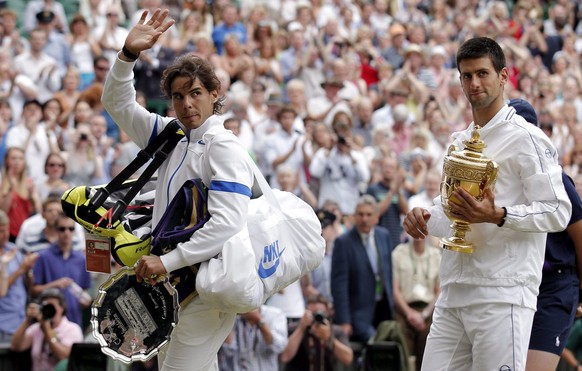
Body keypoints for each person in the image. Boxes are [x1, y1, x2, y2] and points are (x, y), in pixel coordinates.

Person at [402, 37, 572, 370]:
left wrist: (499, 215)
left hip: (503, 294)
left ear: (503, 76)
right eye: (466, 76)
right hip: (453, 292)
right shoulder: (458, 141)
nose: (474, 83)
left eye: (482, 73)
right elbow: (451, 213)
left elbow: (558, 209)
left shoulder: (528, 138)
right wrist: (423, 217)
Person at [101, 9, 255, 370]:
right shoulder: (172, 136)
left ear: (215, 93)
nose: (187, 104)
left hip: (205, 287)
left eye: (196, 93)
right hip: (177, 287)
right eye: (178, 96)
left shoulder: (222, 145)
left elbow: (228, 223)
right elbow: (118, 104)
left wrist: (167, 261)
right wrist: (127, 56)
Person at [507, 99, 582, 371]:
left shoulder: (557, 180)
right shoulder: (501, 179)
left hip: (554, 285)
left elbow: (580, 235)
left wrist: (580, 294)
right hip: (514, 284)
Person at [331, 195, 394, 344]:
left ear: (376, 217)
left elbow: (388, 273)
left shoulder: (383, 235)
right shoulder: (343, 242)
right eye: (360, 214)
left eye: (368, 214)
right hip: (357, 314)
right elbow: (339, 286)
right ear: (354, 216)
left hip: (383, 308)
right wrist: (344, 320)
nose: (364, 219)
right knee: (375, 347)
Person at [31, 213, 92, 329]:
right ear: (55, 230)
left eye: (71, 229)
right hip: (49, 320)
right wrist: (55, 285)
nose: (66, 233)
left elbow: (85, 290)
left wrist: (85, 300)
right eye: (62, 229)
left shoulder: (82, 259)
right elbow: (34, 291)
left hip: (74, 320)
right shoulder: (43, 257)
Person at [10, 288, 84, 371]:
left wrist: (46, 330)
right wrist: (28, 320)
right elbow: (16, 347)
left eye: (51, 307)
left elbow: (63, 357)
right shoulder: (36, 328)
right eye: (45, 307)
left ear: (61, 308)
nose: (48, 310)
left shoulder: (72, 329)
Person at [280, 294, 353, 370]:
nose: (316, 317)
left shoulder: (335, 331)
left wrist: (329, 339)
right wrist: (301, 328)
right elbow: (284, 357)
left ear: (327, 314)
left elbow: (348, 359)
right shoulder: (294, 328)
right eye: (313, 314)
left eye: (320, 314)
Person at [0, 210, 38, 342]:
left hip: (19, 319)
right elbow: (1, 290)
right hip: (3, 322)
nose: (5, 235)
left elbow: (28, 286)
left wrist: (28, 271)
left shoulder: (13, 250)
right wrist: (21, 269)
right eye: (0, 231)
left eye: (6, 230)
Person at [219, 305, 288, 370]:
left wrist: (259, 320)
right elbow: (228, 351)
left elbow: (279, 346)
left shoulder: (275, 314)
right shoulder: (232, 316)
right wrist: (229, 319)